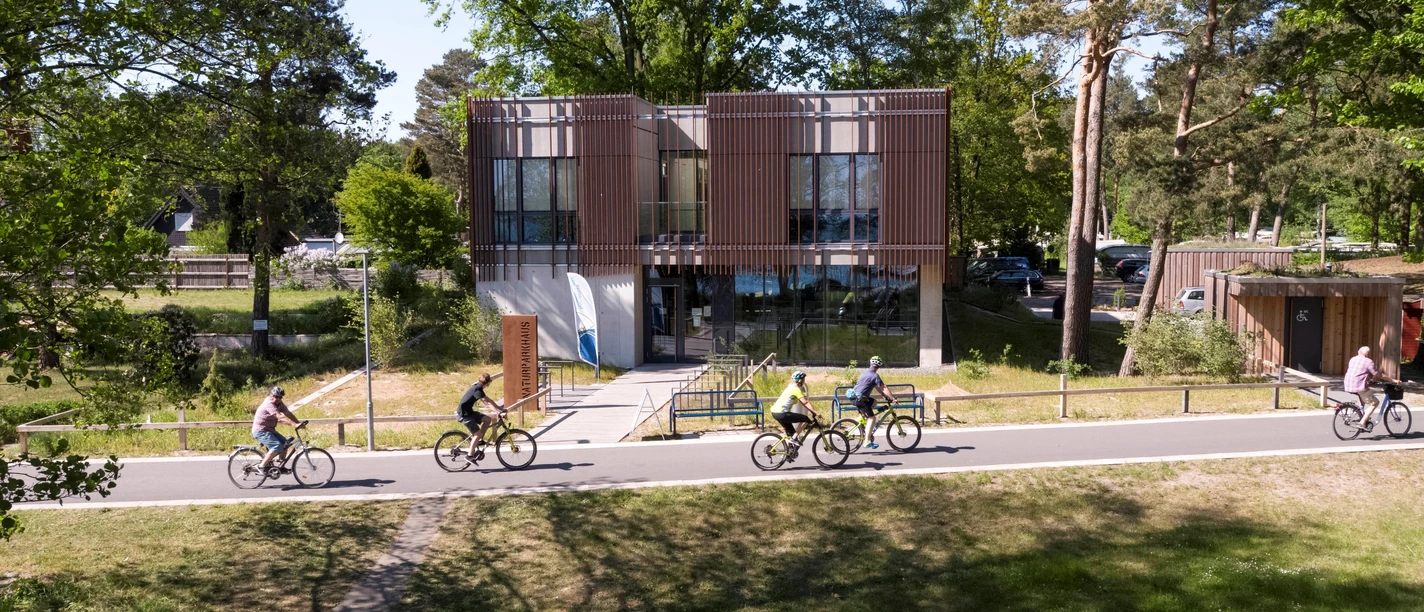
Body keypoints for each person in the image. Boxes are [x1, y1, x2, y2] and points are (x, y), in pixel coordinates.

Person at [1344, 346, 1400, 432]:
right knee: (1375, 402)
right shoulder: (1368, 361)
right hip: (1358, 386)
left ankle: (1361, 414)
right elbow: (1378, 375)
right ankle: (1362, 422)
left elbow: (1359, 372)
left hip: (1348, 384)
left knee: (1364, 396)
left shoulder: (1353, 359)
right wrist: (1393, 380)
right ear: (1366, 354)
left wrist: (1368, 379)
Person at [851, 356, 898, 450]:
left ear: (870, 364)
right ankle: (867, 441)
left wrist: (883, 395)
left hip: (854, 397)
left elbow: (877, 386)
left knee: (874, 402)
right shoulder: (874, 375)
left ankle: (863, 418)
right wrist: (892, 398)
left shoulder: (865, 372)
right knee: (872, 418)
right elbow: (884, 387)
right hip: (861, 399)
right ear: (879, 366)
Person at [457, 373, 505, 460]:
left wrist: (500, 409)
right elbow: (487, 403)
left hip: (469, 412)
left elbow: (489, 400)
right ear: (488, 382)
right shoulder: (477, 389)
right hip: (464, 414)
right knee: (478, 433)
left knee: (487, 419)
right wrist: (497, 412)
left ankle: (479, 440)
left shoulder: (478, 387)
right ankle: (470, 456)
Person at [251, 387, 300, 469]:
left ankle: (281, 466)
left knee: (285, 444)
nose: (278, 399)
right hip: (260, 430)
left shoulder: (280, 403)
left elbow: (288, 413)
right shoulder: (269, 403)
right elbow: (279, 417)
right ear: (271, 395)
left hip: (270, 430)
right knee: (276, 447)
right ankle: (261, 466)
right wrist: (294, 424)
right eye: (276, 396)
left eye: (280, 397)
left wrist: (298, 423)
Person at [771, 371, 821, 450]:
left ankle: (782, 452)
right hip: (782, 413)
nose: (804, 380)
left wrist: (811, 410)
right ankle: (793, 439)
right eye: (803, 379)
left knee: (791, 434)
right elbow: (805, 402)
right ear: (800, 380)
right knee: (805, 419)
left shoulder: (790, 387)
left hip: (776, 412)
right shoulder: (796, 389)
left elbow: (803, 402)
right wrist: (815, 412)